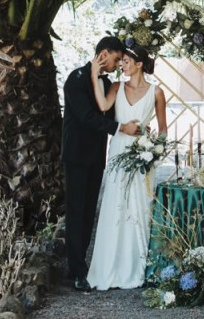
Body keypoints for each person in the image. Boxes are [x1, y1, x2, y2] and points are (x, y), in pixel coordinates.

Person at [61, 36, 142, 292]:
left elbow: (110, 110)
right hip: (76, 156)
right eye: (117, 59)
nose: (119, 65)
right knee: (76, 212)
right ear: (104, 54)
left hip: (96, 157)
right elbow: (87, 117)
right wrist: (120, 129)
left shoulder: (105, 82)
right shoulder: (76, 79)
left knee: (88, 213)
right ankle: (75, 269)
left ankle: (81, 263)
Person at [87, 41, 167, 290]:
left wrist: (155, 150)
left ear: (139, 64)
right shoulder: (116, 86)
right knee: (115, 207)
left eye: (127, 61)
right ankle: (109, 269)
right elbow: (102, 106)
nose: (122, 64)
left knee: (139, 210)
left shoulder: (156, 92)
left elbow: (163, 129)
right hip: (119, 151)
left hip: (143, 156)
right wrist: (93, 73)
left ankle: (136, 269)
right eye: (121, 61)